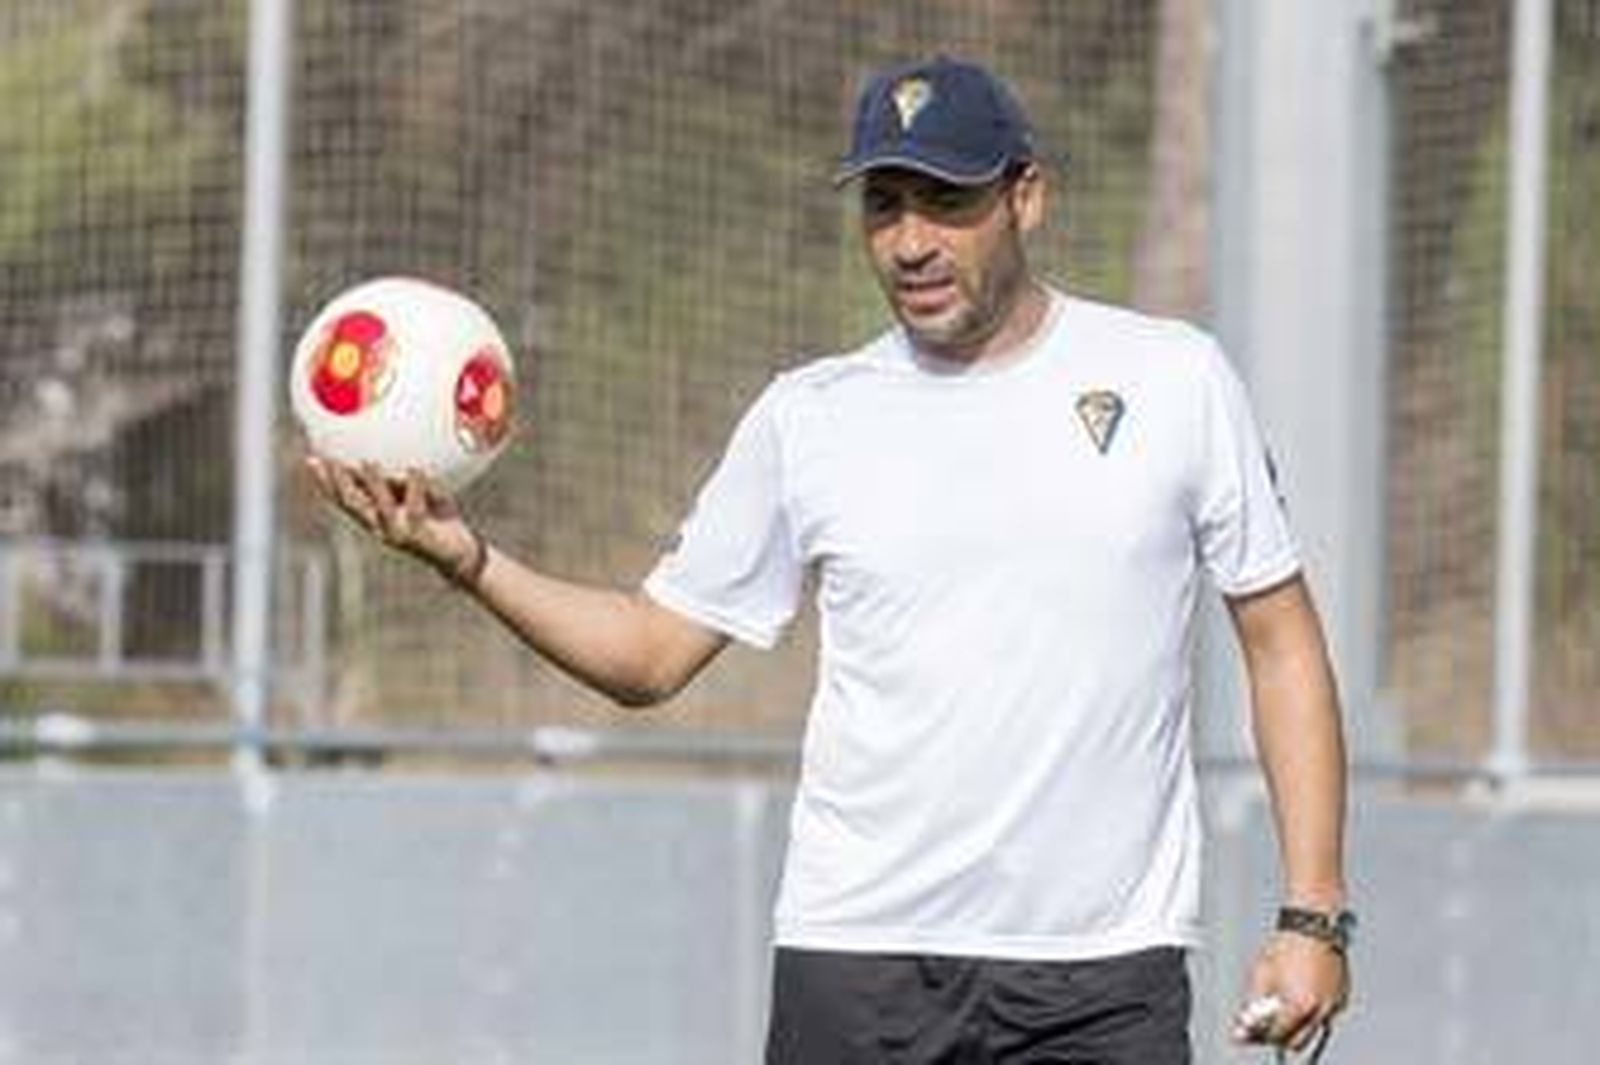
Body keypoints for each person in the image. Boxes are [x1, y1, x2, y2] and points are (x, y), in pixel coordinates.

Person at [309, 55, 1351, 1065]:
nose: (908, 242)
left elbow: (1281, 647)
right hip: (860, 968)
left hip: (1099, 975)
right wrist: (464, 556)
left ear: (1024, 198)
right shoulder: (808, 416)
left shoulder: (1173, 379)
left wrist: (1314, 914)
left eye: (944, 201)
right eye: (883, 204)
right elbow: (649, 654)